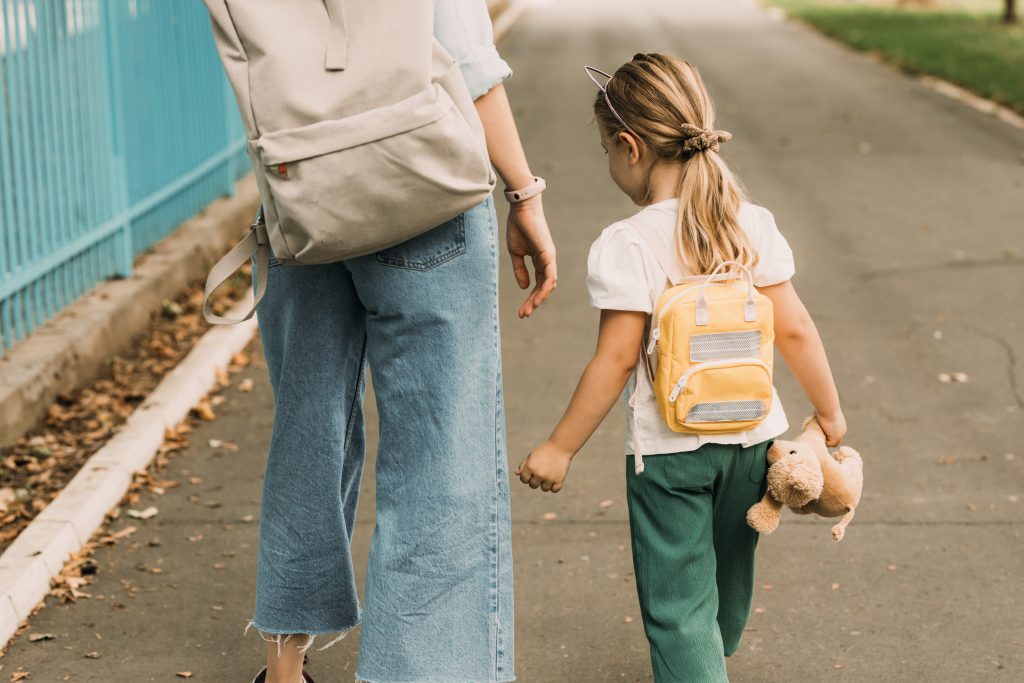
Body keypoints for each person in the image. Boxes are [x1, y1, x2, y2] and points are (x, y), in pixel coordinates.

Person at [244, 2, 556, 682]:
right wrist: (524, 192)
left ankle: (284, 669)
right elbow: (468, 64)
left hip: (303, 188)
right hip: (424, 189)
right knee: (439, 458)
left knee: (309, 430)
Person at [514, 53, 845, 682]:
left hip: (671, 454)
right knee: (727, 571)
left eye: (606, 150)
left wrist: (560, 447)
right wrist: (828, 413)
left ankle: (696, 665)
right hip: (754, 442)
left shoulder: (629, 241)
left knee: (677, 605)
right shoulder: (751, 224)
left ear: (629, 146)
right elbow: (795, 327)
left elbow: (614, 361)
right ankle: (710, 656)